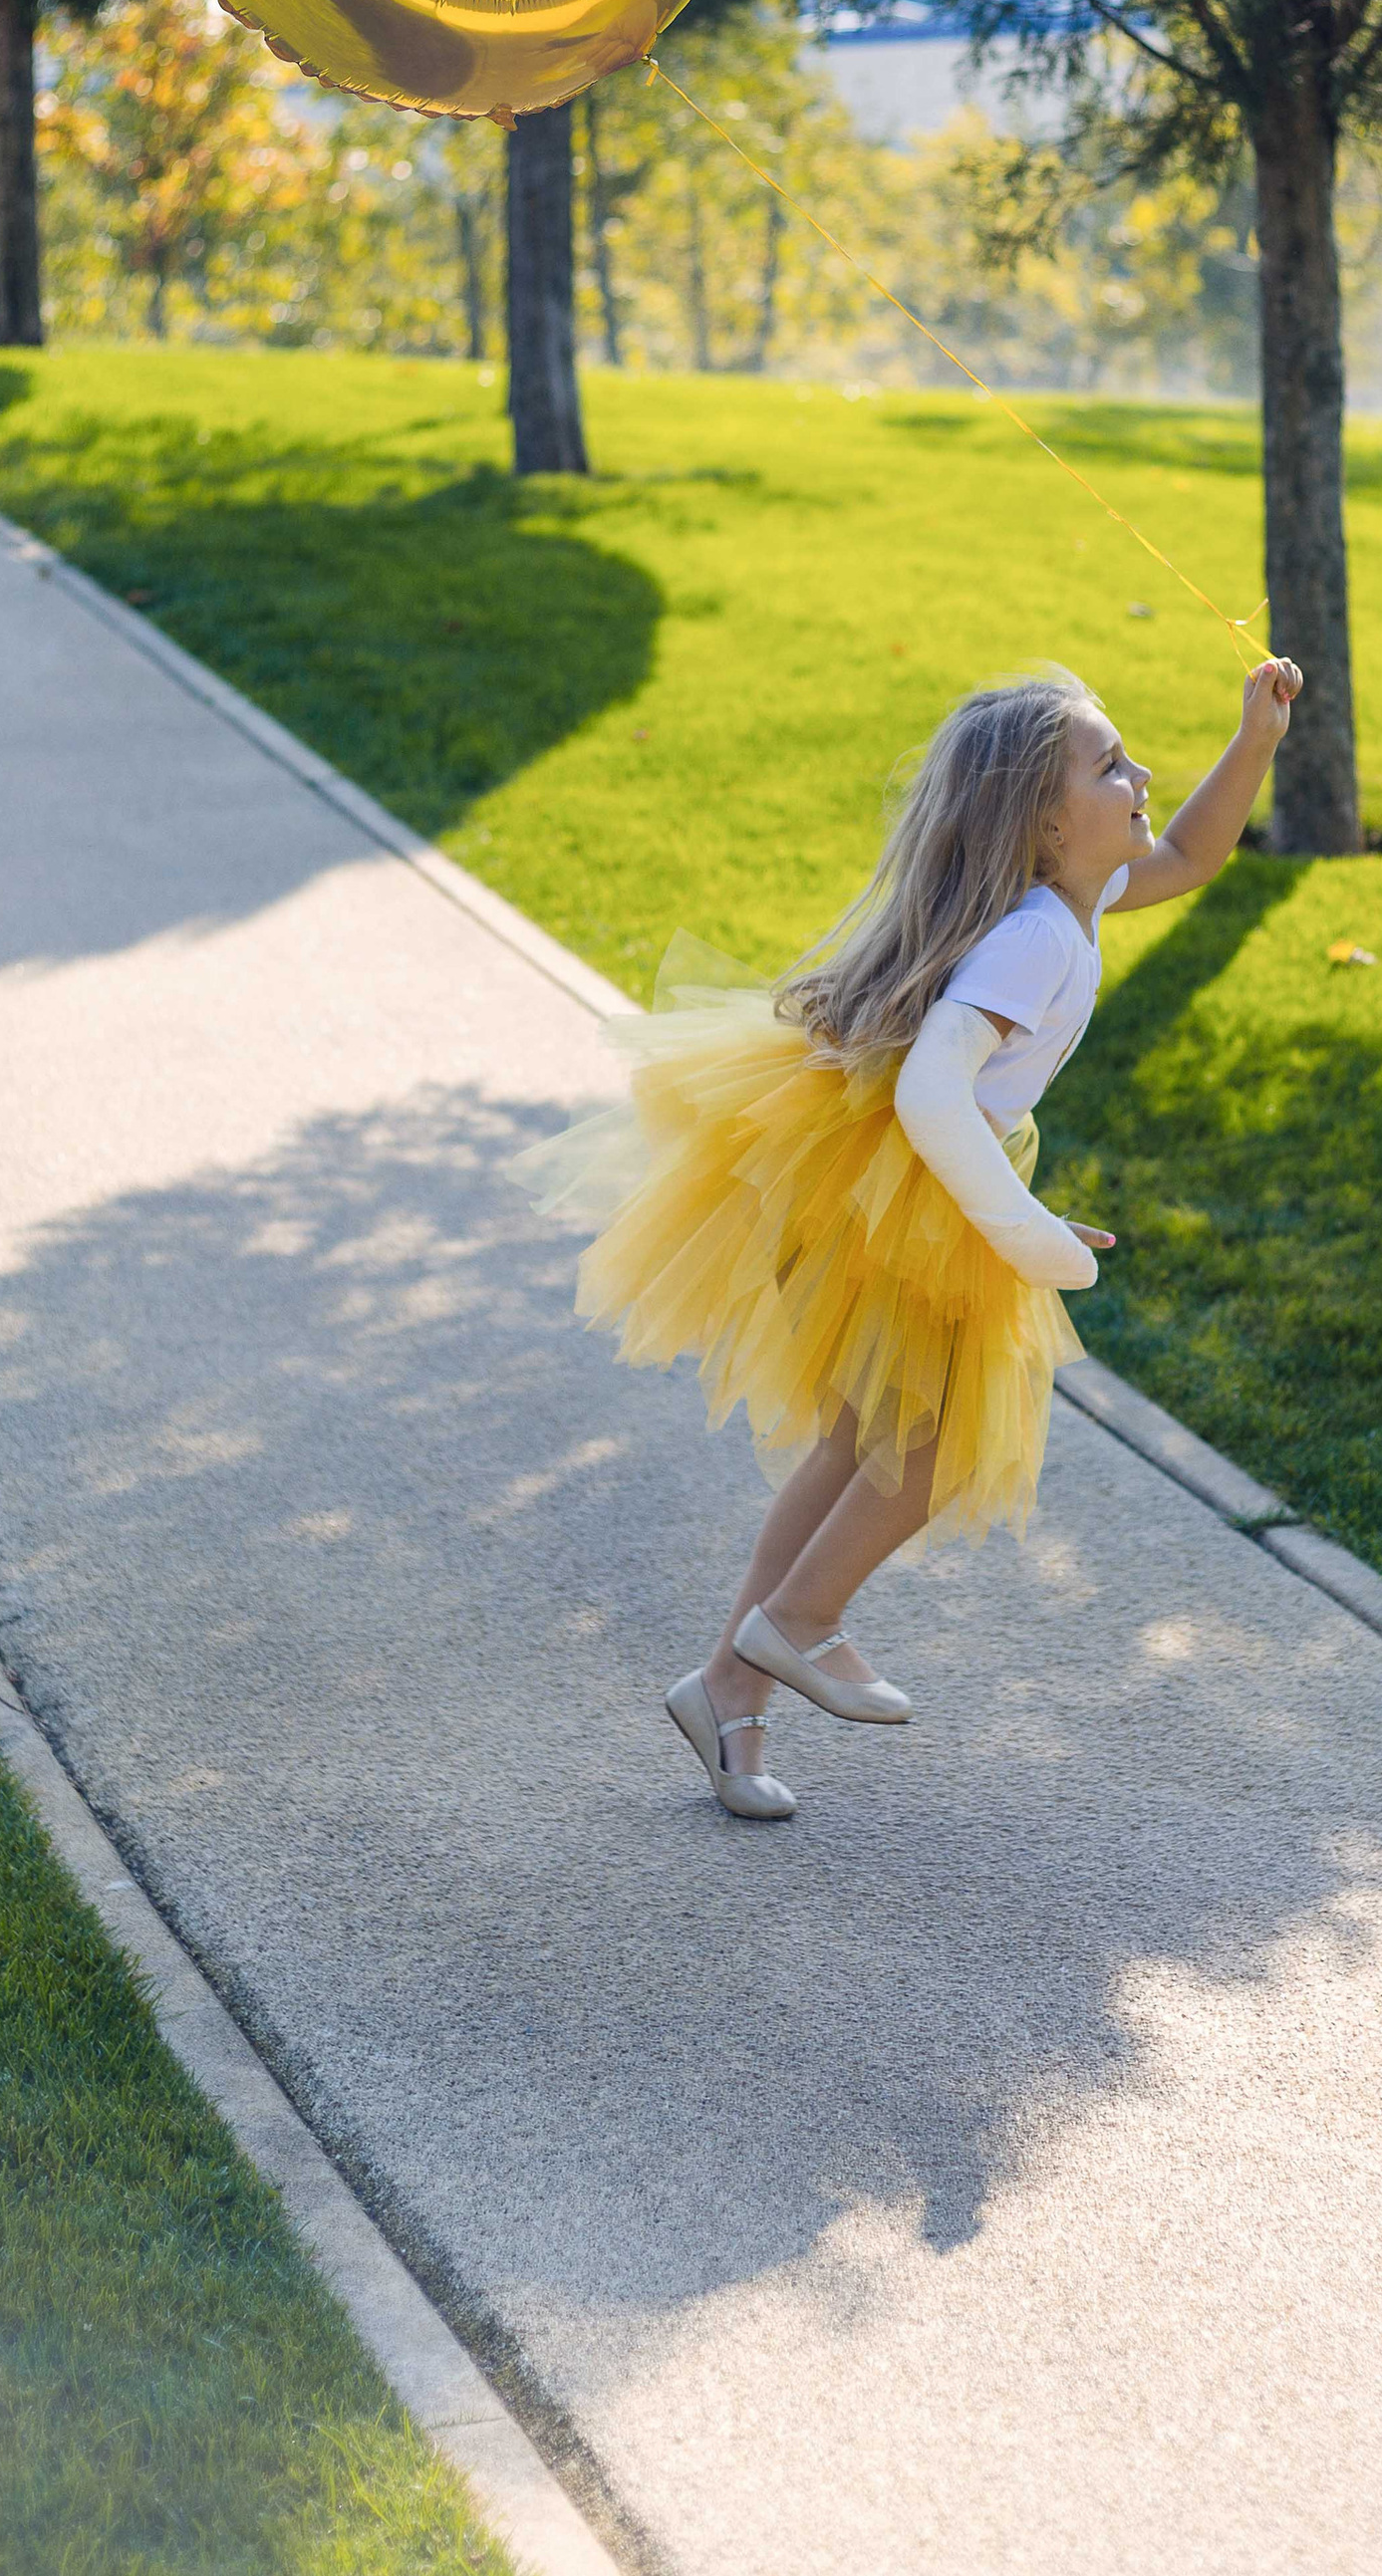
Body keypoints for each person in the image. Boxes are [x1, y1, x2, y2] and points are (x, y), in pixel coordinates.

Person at [543, 654, 1302, 1817]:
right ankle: (799, 1624)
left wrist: (1255, 735)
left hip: (890, 1175)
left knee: (863, 1444)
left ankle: (727, 1690)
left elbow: (1195, 857)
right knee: (933, 1441)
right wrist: (1027, 1230)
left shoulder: (1069, 901)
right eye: (1110, 766)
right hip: (902, 1178)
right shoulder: (1036, 939)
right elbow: (934, 1095)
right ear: (1041, 824)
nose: (1139, 775)